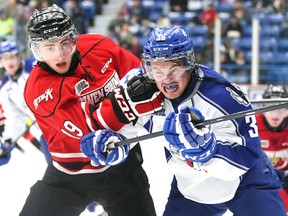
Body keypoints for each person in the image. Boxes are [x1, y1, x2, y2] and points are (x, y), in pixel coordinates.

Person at [80, 26, 287, 216]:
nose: (166, 79)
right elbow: (128, 130)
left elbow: (247, 154)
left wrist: (209, 150)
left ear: (188, 64)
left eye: (174, 70)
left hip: (247, 181)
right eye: (157, 70)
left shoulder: (223, 96)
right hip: (192, 187)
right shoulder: (140, 89)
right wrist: (113, 145)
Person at [20, 4, 157, 216]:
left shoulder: (99, 46)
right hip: (68, 177)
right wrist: (132, 102)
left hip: (121, 169)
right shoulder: (38, 90)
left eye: (65, 43)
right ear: (37, 50)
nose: (60, 55)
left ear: (74, 39)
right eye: (49, 47)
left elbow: (141, 75)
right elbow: (93, 131)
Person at [0, 40, 51, 165]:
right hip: (44, 133)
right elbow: (15, 118)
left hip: (64, 121)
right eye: (5, 58)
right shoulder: (5, 88)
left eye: (12, 57)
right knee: (56, 171)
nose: (9, 61)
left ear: (18, 57)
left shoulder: (35, 66)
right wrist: (8, 141)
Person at [256, 84, 288, 213]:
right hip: (260, 176)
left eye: (280, 108)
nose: (275, 114)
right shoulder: (252, 124)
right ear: (263, 109)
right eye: (270, 108)